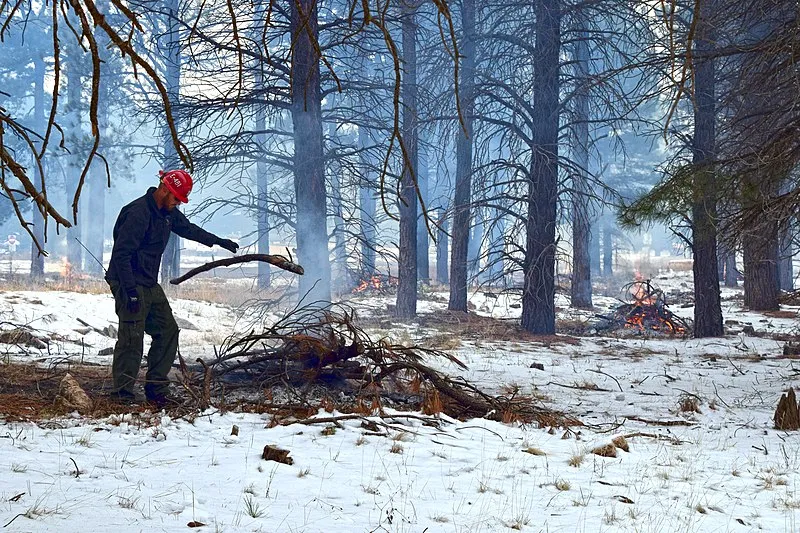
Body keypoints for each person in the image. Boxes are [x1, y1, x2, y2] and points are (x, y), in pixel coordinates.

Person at [105, 170, 238, 407]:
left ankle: (156, 389)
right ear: (165, 189)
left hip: (147, 281)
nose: (177, 203)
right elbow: (121, 255)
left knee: (168, 331)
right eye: (176, 198)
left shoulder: (167, 213)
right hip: (127, 279)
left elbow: (188, 229)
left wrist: (217, 241)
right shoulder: (138, 213)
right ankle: (121, 393)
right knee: (131, 337)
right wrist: (130, 292)